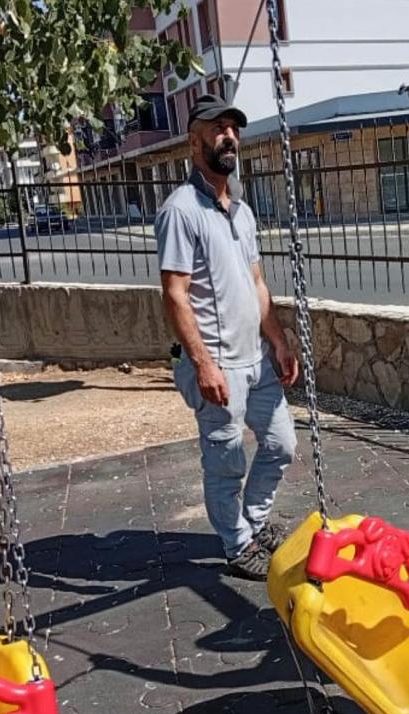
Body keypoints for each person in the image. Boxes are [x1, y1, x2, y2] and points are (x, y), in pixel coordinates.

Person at [156, 94, 299, 582]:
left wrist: (278, 341)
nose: (229, 136)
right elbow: (175, 294)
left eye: (233, 128)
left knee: (281, 444)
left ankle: (251, 524)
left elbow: (257, 284)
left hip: (256, 360)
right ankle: (238, 546)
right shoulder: (181, 210)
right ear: (195, 141)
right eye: (218, 129)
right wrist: (202, 364)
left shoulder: (241, 212)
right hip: (216, 364)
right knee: (226, 463)